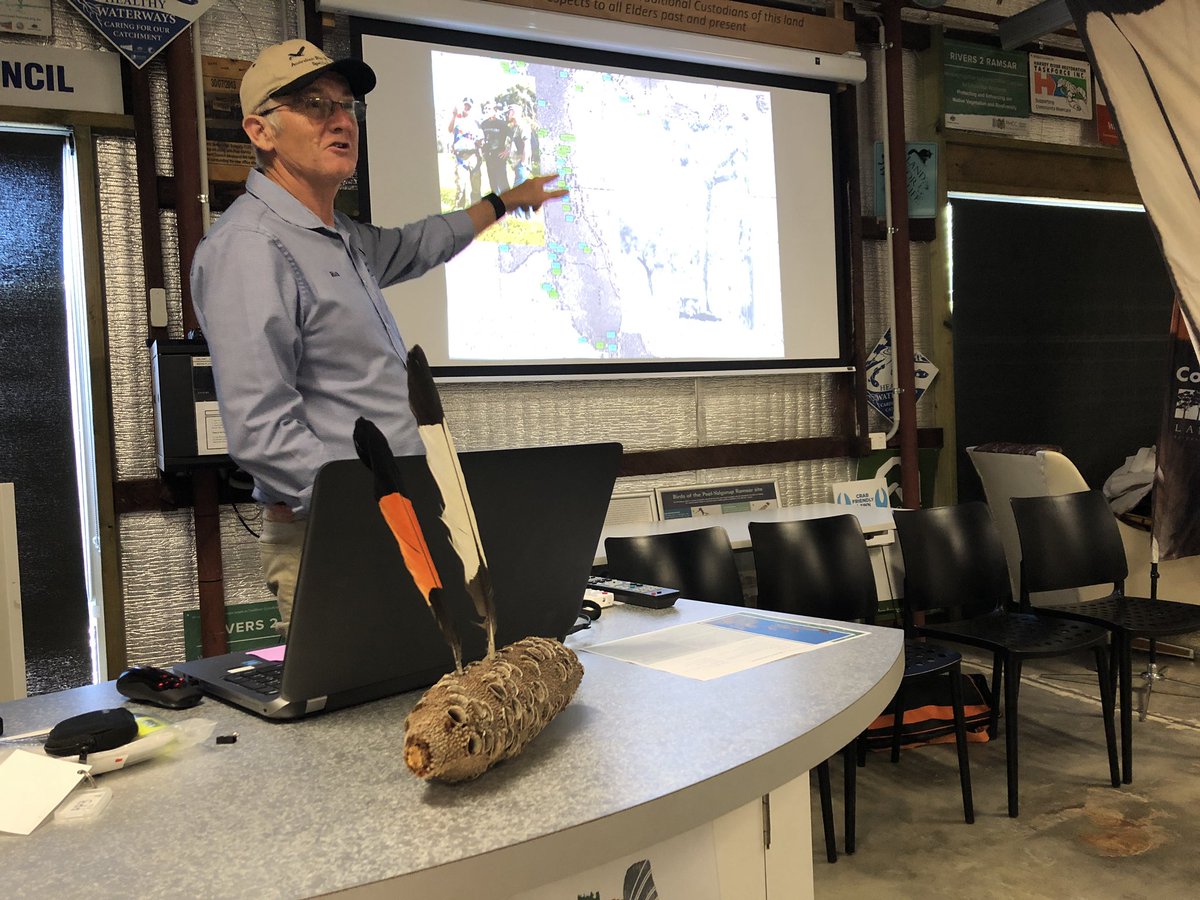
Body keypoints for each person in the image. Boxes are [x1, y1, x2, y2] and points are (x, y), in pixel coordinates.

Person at [189, 39, 566, 629]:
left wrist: (502, 203)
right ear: (261, 132)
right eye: (314, 104)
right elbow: (262, 431)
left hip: (398, 523)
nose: (341, 120)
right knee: (361, 721)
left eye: (346, 106)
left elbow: (419, 244)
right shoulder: (250, 248)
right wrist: (378, 510)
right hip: (342, 536)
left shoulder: (338, 235)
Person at [446, 96, 483, 208]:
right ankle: (459, 210)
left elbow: (481, 139)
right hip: (461, 157)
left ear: (471, 108)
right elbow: (450, 130)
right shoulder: (457, 119)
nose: (467, 107)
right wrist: (453, 115)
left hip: (473, 156)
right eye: (465, 105)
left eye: (469, 106)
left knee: (476, 185)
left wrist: (480, 144)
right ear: (462, 105)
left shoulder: (476, 122)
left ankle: (477, 211)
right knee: (461, 185)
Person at [478, 100, 511, 196]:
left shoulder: (502, 124)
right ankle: (498, 208)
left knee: (503, 183)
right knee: (493, 183)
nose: (486, 110)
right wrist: (482, 151)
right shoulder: (483, 124)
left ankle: (509, 205)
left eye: (489, 108)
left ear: (495, 110)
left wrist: (508, 150)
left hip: (499, 156)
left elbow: (511, 136)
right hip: (489, 157)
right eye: (485, 109)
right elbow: (481, 139)